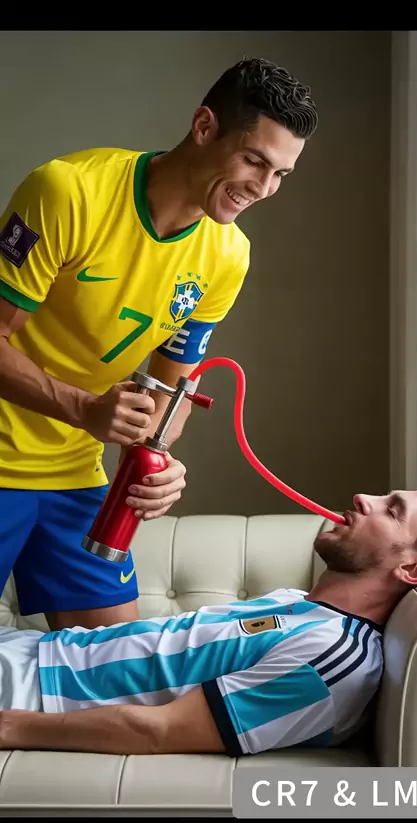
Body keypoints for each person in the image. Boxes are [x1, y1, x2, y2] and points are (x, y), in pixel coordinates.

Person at [0, 57, 318, 632]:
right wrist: (84, 408)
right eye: (254, 160)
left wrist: (158, 458)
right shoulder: (69, 191)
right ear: (204, 127)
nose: (263, 188)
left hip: (75, 475)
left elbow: (170, 393)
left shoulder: (229, 255)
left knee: (119, 669)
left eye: (280, 174)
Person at [0, 473, 417, 759]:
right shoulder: (301, 605)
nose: (363, 499)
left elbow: (158, 730)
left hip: (25, 692)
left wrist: (11, 727)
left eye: (391, 511)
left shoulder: (334, 662)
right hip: (26, 653)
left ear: (416, 569)